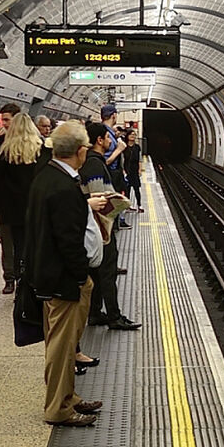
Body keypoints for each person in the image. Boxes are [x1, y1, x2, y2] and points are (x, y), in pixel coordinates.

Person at [23, 121, 106, 427]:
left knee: (64, 342)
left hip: (47, 274)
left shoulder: (46, 177)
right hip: (63, 279)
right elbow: (68, 241)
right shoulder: (64, 188)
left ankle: (68, 396)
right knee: (61, 346)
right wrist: (82, 275)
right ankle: (58, 408)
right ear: (81, 151)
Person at [82, 121, 141, 332]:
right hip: (101, 230)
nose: (111, 141)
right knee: (108, 273)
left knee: (97, 273)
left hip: (98, 229)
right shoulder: (94, 165)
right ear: (99, 140)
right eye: (108, 138)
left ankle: (95, 312)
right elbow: (99, 201)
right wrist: (117, 206)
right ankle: (114, 316)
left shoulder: (93, 162)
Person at [0, 105, 42, 296]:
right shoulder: (39, 151)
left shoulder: (5, 152)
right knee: (31, 242)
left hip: (9, 207)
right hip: (32, 206)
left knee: (9, 245)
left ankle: (10, 279)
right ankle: (29, 277)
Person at [123, 124, 145, 212]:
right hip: (126, 170)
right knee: (127, 189)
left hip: (134, 170)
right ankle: (128, 206)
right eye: (131, 134)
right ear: (127, 136)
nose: (133, 136)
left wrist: (140, 169)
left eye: (134, 135)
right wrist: (123, 170)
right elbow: (122, 160)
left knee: (136, 189)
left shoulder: (137, 147)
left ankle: (139, 205)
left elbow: (140, 159)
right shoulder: (124, 147)